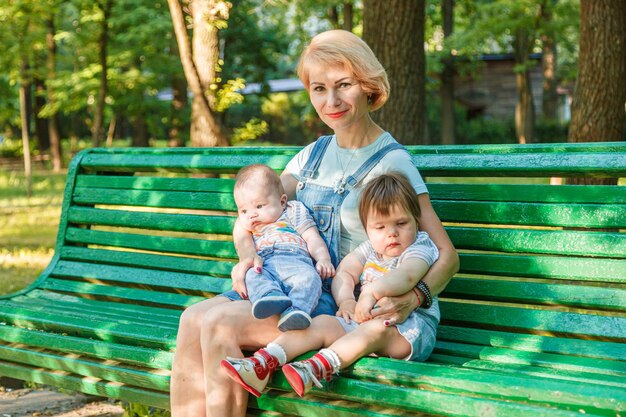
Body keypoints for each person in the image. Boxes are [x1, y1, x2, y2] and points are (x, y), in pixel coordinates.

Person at [170, 29, 459, 417]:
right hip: (295, 284)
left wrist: (416, 295)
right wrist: (244, 256)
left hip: (342, 310)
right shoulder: (310, 157)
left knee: (219, 324)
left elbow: (447, 256)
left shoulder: (393, 163)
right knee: (193, 317)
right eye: (319, 89)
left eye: (344, 85)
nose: (331, 101)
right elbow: (250, 214)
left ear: (369, 86)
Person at [221, 173, 440, 397]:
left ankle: (316, 368)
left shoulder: (420, 246)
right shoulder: (369, 249)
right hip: (364, 321)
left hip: (408, 330)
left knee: (375, 329)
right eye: (380, 227)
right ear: (367, 229)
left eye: (401, 223)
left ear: (416, 219)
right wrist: (346, 300)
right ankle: (262, 363)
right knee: (323, 323)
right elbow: (344, 272)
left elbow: (407, 277)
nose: (391, 233)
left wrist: (369, 293)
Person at [232, 164, 335, 331]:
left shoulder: (293, 211)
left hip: (296, 262)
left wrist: (323, 258)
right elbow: (245, 249)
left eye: (259, 206)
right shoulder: (251, 228)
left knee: (311, 279)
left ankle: (297, 310)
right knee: (253, 274)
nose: (251, 215)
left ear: (282, 201)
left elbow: (312, 237)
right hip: (265, 264)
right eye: (243, 210)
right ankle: (269, 296)